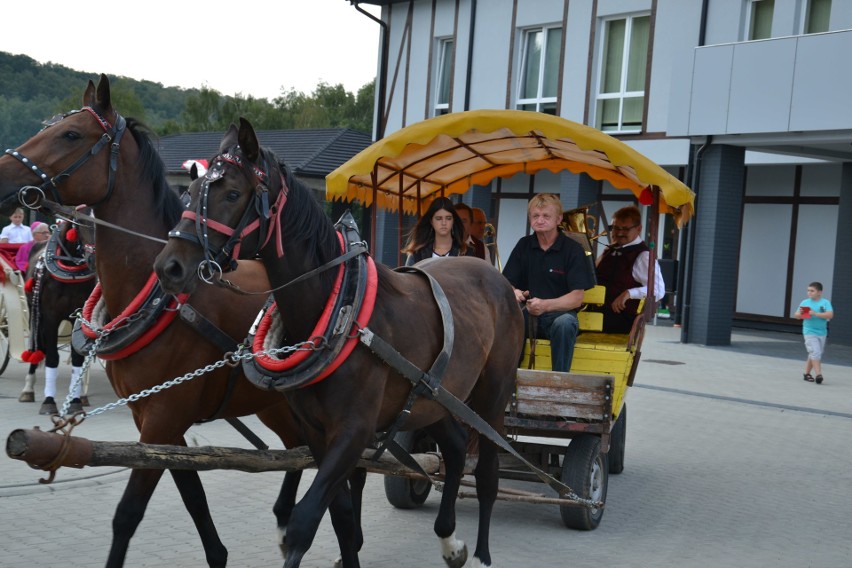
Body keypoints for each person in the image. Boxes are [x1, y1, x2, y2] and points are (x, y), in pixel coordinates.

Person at [502, 193, 596, 372]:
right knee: (508, 319)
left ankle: (558, 382)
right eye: (535, 216)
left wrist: (544, 305)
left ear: (559, 219)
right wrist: (514, 292)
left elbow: (577, 298)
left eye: (546, 216)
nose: (540, 220)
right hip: (527, 316)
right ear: (530, 219)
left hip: (559, 316)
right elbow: (507, 283)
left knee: (565, 324)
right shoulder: (523, 245)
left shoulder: (573, 250)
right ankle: (508, 379)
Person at [595, 205, 665, 333]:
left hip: (619, 321)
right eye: (616, 228)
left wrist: (629, 293)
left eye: (625, 229)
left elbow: (659, 290)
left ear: (638, 229)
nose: (620, 233)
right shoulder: (611, 249)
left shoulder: (644, 256)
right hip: (597, 314)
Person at [402, 196, 472, 266]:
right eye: (438, 218)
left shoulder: (466, 252)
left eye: (448, 218)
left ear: (453, 220)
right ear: (431, 221)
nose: (444, 223)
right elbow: (407, 276)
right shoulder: (417, 254)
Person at [793, 282, 834, 384]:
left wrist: (815, 313)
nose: (809, 293)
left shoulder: (825, 303)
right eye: (808, 290)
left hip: (822, 332)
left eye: (812, 291)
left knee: (814, 353)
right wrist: (802, 314)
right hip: (809, 331)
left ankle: (806, 374)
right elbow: (797, 315)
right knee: (815, 352)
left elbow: (830, 315)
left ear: (819, 292)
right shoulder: (805, 302)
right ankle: (819, 374)